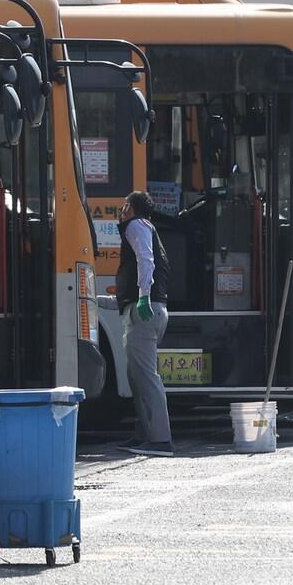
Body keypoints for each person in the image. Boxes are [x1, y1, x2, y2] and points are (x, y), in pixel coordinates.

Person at [109, 190, 174, 456]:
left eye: (125, 206)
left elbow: (145, 261)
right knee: (136, 378)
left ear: (133, 208)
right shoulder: (145, 228)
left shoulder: (137, 226)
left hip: (146, 312)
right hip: (145, 311)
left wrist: (144, 297)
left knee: (146, 378)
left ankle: (160, 440)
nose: (122, 211)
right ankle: (144, 434)